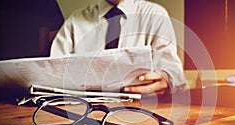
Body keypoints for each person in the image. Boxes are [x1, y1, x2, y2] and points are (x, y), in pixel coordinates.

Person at [50, 0, 186, 95]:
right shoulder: (75, 20)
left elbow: (173, 72)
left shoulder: (155, 14)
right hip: (82, 109)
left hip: (139, 109)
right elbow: (52, 71)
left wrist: (166, 79)